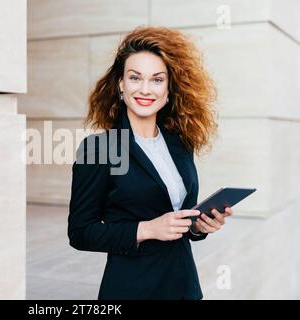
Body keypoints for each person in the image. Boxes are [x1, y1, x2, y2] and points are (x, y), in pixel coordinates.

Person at [67, 26, 233, 300]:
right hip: (133, 288)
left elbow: (177, 215)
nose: (145, 89)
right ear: (121, 84)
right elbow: (80, 233)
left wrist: (197, 226)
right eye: (135, 78)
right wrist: (147, 229)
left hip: (184, 286)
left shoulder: (180, 143)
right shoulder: (100, 148)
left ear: (169, 88)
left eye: (157, 80)